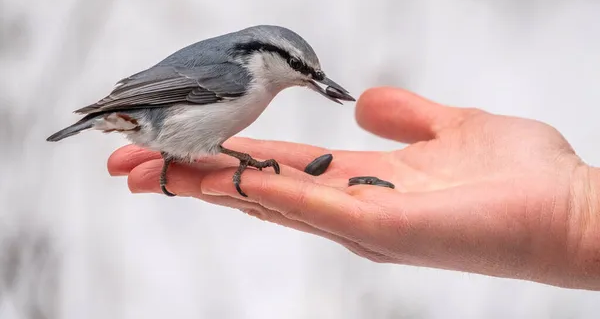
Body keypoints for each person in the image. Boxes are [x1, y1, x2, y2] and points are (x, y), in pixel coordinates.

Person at [107, 87, 600, 291]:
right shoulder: (235, 75)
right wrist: (572, 217)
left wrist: (575, 220)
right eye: (304, 69)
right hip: (152, 116)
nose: (315, 82)